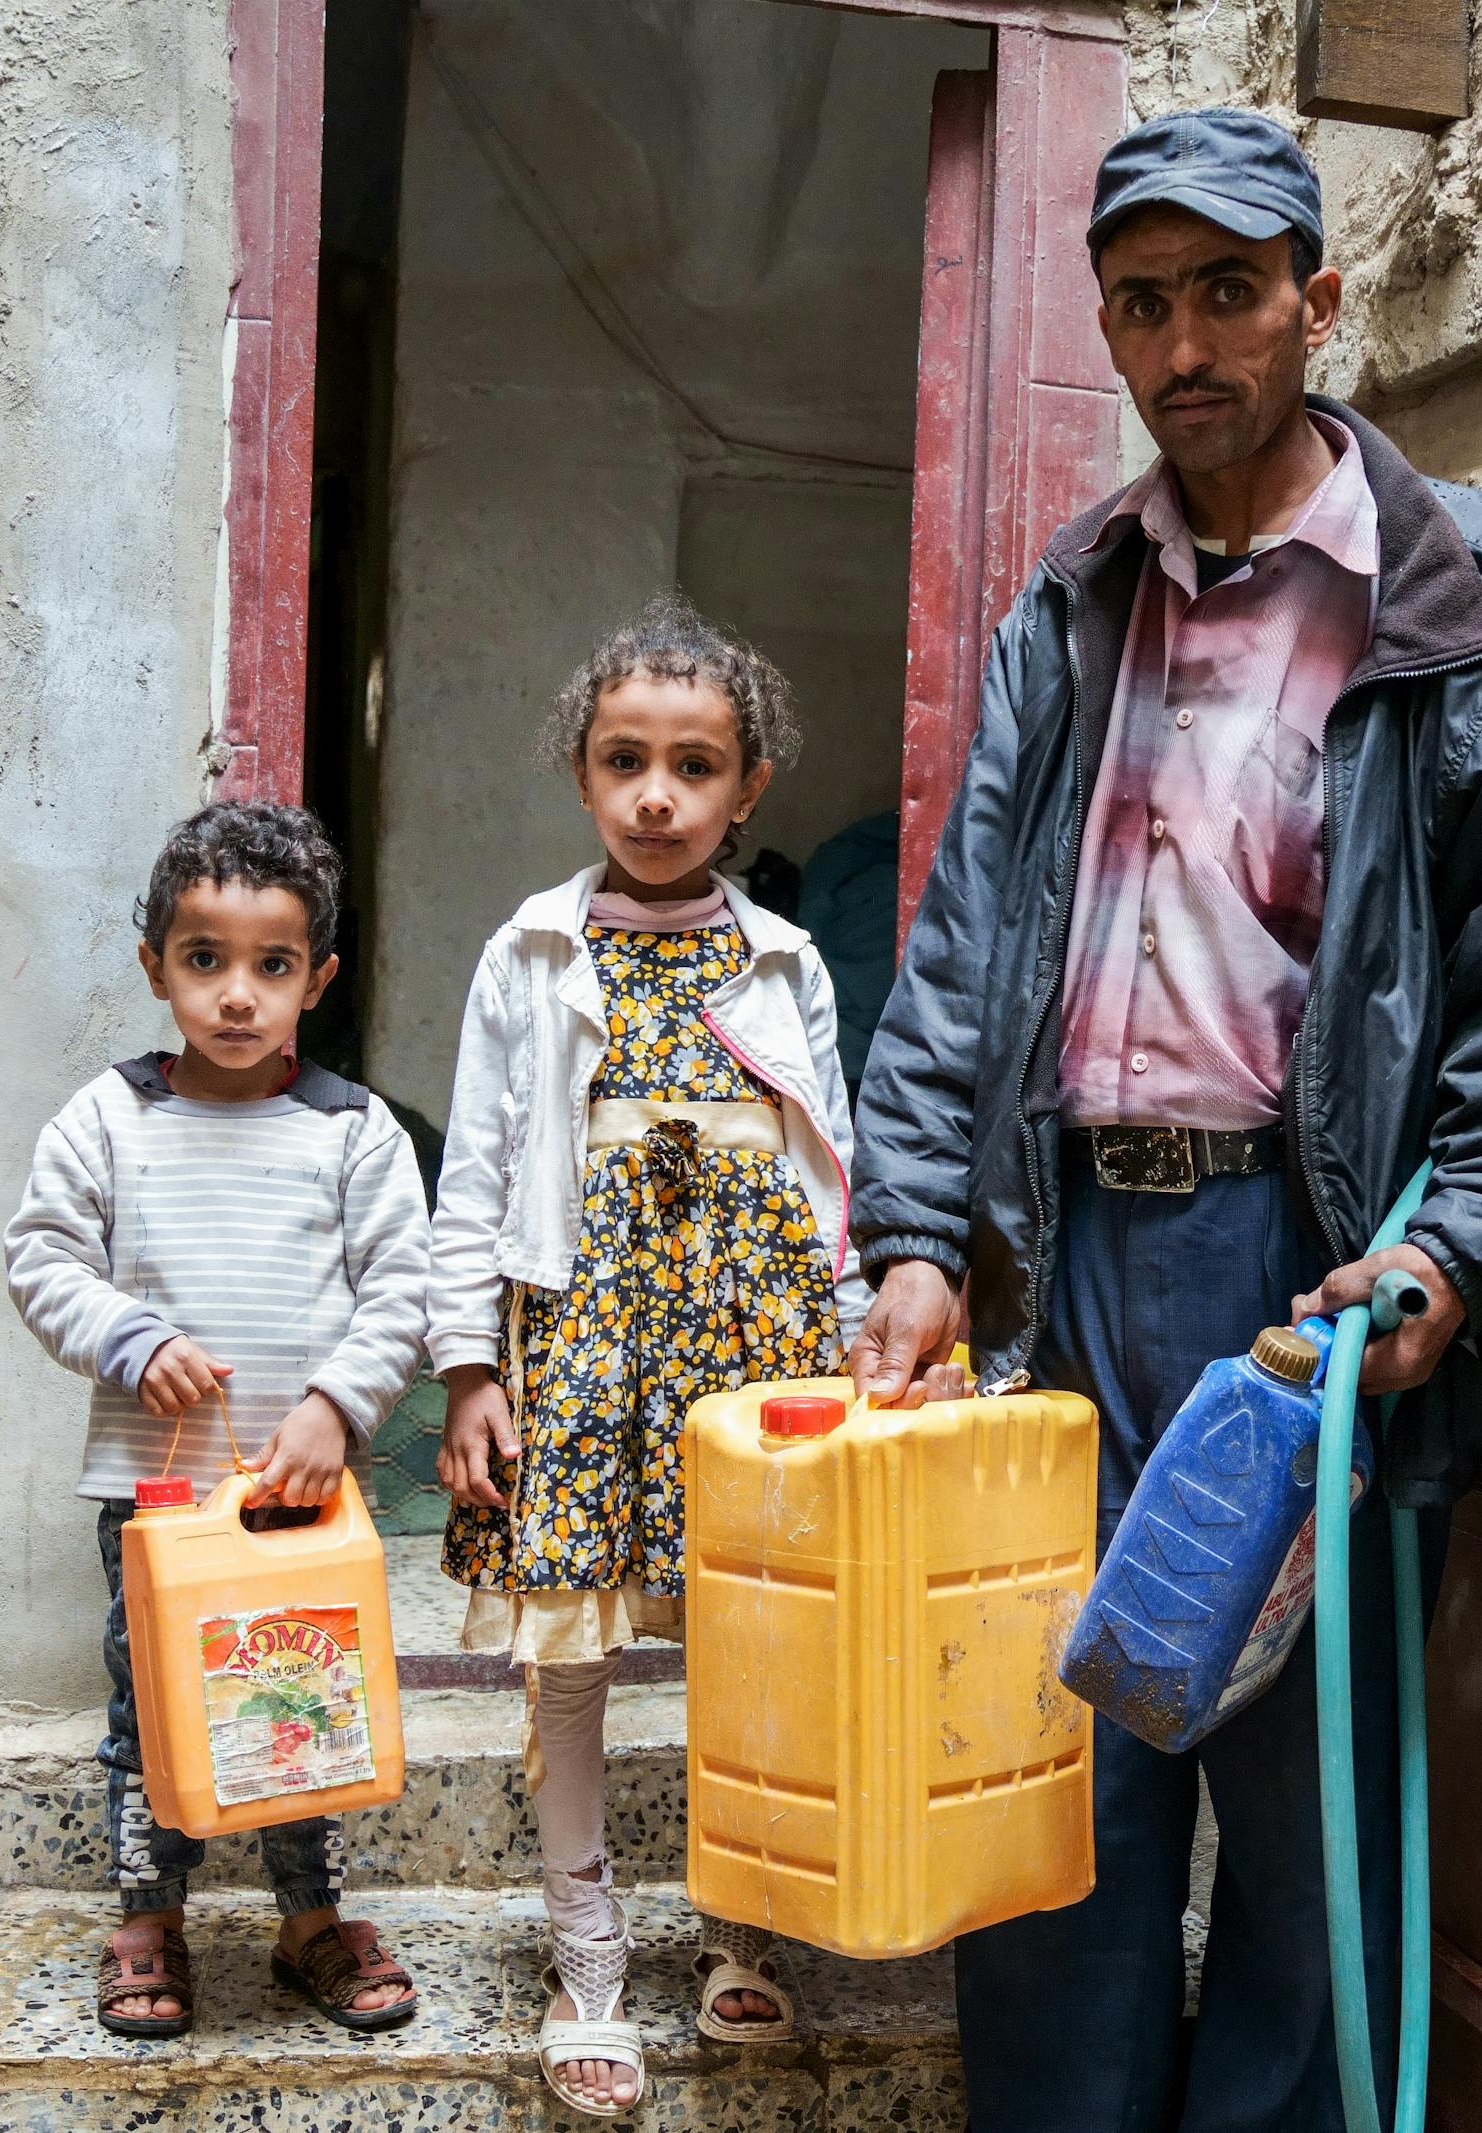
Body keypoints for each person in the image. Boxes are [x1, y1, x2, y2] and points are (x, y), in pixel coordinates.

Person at [843, 109, 1482, 2132]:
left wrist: (1461, 1250)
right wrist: (917, 1238)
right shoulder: (1079, 595)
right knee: (1058, 1813)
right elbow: (962, 954)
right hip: (1067, 1273)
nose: (1186, 343)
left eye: (1226, 293)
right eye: (1143, 303)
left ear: (1316, 298)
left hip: (1314, 1280)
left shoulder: (1459, 589)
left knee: (1309, 1865)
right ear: (1108, 327)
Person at [424, 593, 872, 2119]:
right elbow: (476, 1170)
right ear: (583, 774)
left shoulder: (787, 961)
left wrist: (860, 1314)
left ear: (750, 787)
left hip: (758, 1338)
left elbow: (835, 1162)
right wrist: (471, 1365)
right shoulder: (532, 952)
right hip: (590, 1333)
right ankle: (587, 1943)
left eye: (697, 765)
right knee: (573, 1647)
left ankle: (740, 1921)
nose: (660, 794)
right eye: (627, 760)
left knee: (755, 1636)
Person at [2, 800, 435, 2041]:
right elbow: (42, 1261)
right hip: (156, 1494)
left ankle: (310, 1917)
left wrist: (335, 1404)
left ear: (319, 979)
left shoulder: (354, 1133)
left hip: (296, 1496)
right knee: (152, 1707)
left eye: (272, 966)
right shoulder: (109, 1119)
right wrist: (131, 1339)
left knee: (304, 1698)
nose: (237, 995)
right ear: (155, 969)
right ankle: (150, 1916)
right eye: (205, 962)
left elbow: (399, 1290)